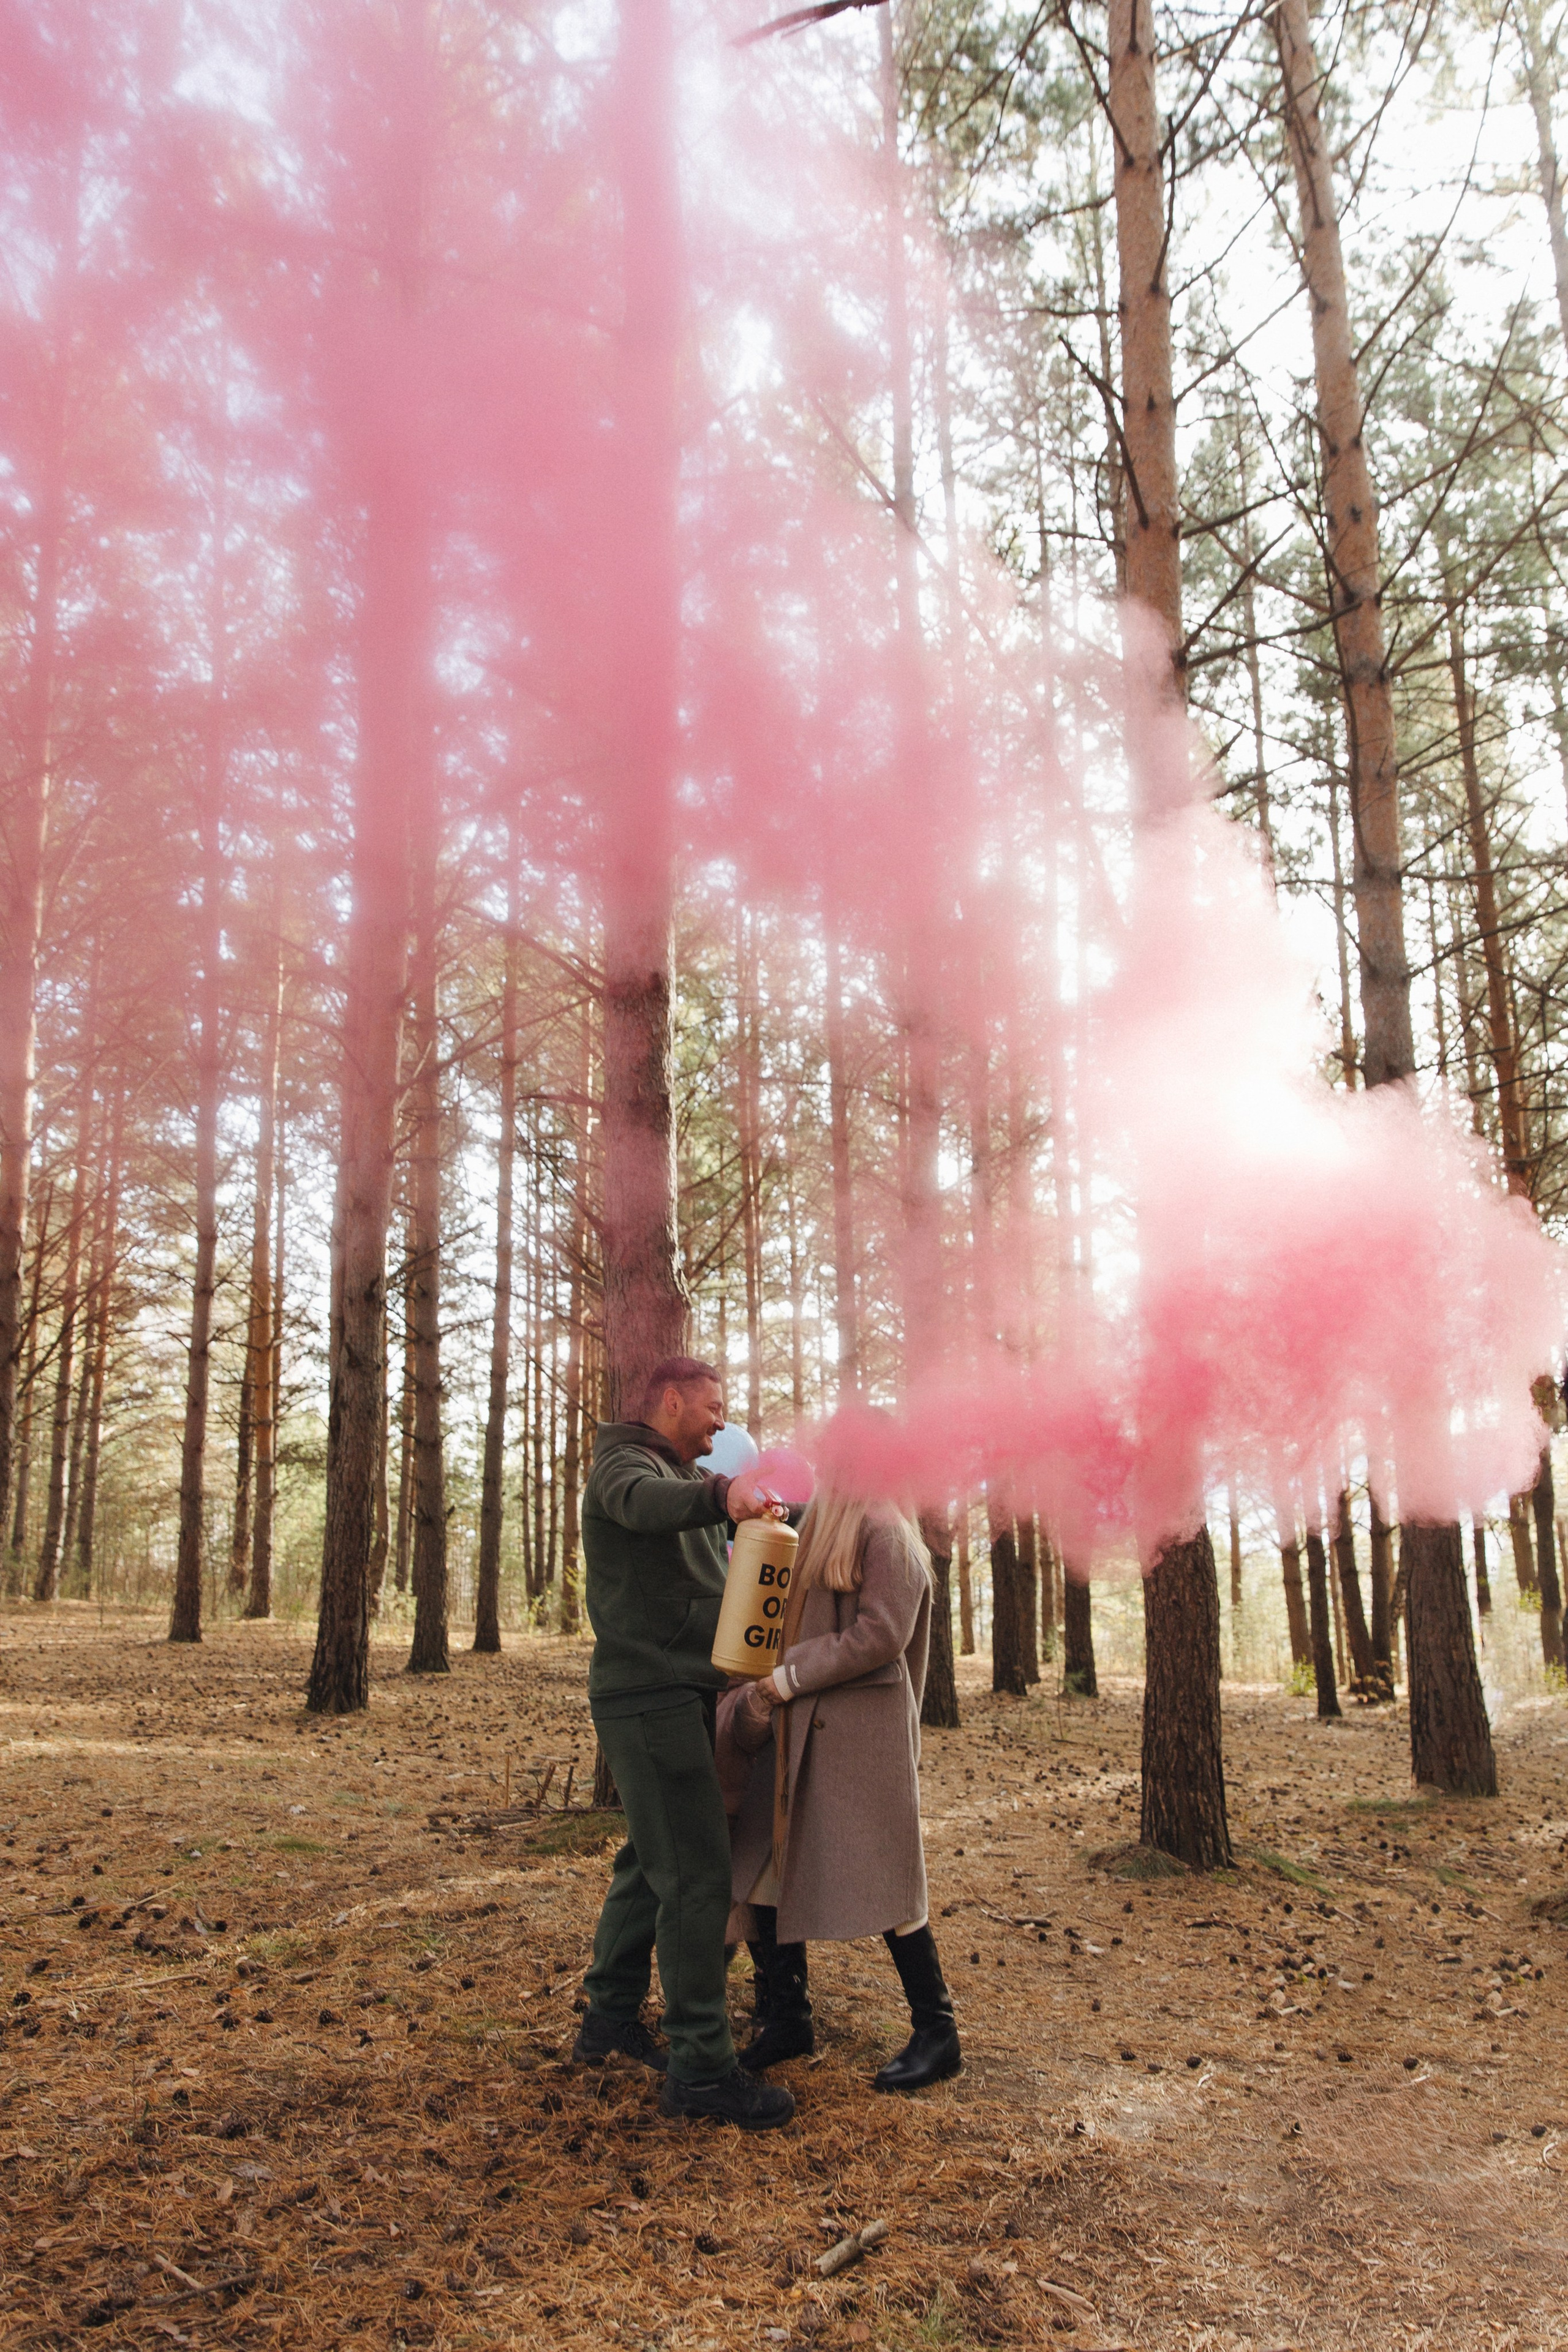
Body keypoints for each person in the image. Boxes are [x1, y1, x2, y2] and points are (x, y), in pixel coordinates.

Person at [571, 1355, 796, 2132]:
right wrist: (720, 1494)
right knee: (697, 1878)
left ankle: (608, 2018)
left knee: (649, 1858)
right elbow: (644, 1505)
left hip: (679, 1694)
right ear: (670, 1400)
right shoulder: (623, 1468)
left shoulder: (670, 1475)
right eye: (712, 1407)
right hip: (650, 1698)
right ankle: (701, 2068)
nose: (721, 1423)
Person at [717, 1478, 963, 2093]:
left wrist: (786, 1678)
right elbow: (791, 1522)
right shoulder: (833, 1516)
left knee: (886, 1878)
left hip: (859, 1740)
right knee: (764, 1865)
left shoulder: (888, 1530)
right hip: (801, 1732)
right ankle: (784, 2017)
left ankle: (938, 2032)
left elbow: (880, 1634)